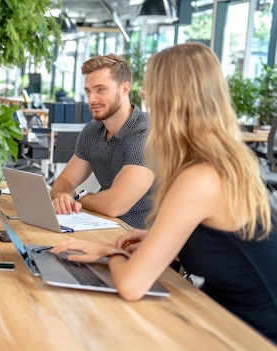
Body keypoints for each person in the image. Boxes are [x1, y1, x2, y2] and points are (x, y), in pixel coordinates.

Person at [51, 43, 277, 343]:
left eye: (151, 90)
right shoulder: (224, 161)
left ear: (170, 97)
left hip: (249, 334)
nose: (146, 98)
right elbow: (229, 244)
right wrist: (152, 238)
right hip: (224, 314)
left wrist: (112, 252)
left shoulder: (199, 176)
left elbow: (131, 286)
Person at [50, 53, 154, 229]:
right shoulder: (93, 130)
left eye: (101, 90)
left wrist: (77, 197)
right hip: (105, 227)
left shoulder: (146, 134)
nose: (91, 99)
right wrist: (63, 197)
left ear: (125, 89)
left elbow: (114, 205)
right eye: (88, 91)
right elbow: (63, 183)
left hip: (143, 237)